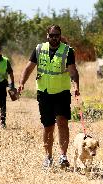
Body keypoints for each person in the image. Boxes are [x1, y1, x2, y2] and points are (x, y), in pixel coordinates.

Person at [18, 24, 80, 168]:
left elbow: (73, 71)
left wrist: (76, 86)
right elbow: (28, 68)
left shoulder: (68, 51)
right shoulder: (39, 49)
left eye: (56, 35)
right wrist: (21, 83)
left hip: (62, 92)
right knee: (48, 127)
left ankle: (63, 156)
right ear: (47, 36)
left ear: (60, 35)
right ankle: (48, 157)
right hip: (44, 93)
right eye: (51, 35)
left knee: (62, 123)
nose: (54, 38)